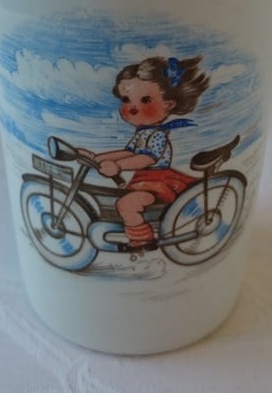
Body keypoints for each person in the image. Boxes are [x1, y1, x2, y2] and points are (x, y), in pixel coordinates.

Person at [83, 55, 210, 249]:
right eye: (126, 99)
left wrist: (118, 167)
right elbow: (127, 153)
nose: (133, 108)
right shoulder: (142, 133)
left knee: (126, 205)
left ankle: (143, 240)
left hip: (158, 184)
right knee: (122, 201)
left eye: (145, 100)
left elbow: (146, 158)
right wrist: (97, 158)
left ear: (168, 105)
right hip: (144, 182)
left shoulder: (157, 135)